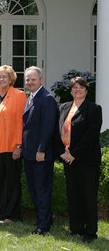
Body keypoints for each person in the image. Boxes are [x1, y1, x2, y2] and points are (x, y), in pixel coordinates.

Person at [58, 77, 102, 243]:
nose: (78, 90)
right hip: (68, 160)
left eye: (81, 87)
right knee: (74, 195)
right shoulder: (63, 107)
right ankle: (76, 228)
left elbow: (91, 135)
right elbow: (58, 131)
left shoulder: (94, 109)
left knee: (88, 196)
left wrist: (74, 153)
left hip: (86, 160)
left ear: (86, 90)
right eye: (74, 87)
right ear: (70, 90)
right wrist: (62, 153)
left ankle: (90, 232)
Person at [0, 65, 26, 223]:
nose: (2, 79)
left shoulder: (19, 95)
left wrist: (18, 145)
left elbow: (20, 122)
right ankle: (1, 211)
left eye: (5, 77)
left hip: (11, 146)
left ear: (11, 79)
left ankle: (12, 214)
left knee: (12, 181)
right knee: (0, 181)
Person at [22, 66, 58, 235]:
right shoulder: (30, 97)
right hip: (29, 153)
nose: (29, 82)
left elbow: (48, 127)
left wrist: (41, 149)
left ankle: (43, 226)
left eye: (33, 79)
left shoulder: (47, 99)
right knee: (34, 189)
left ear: (41, 80)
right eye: (27, 79)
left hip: (40, 154)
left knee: (42, 190)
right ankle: (45, 219)